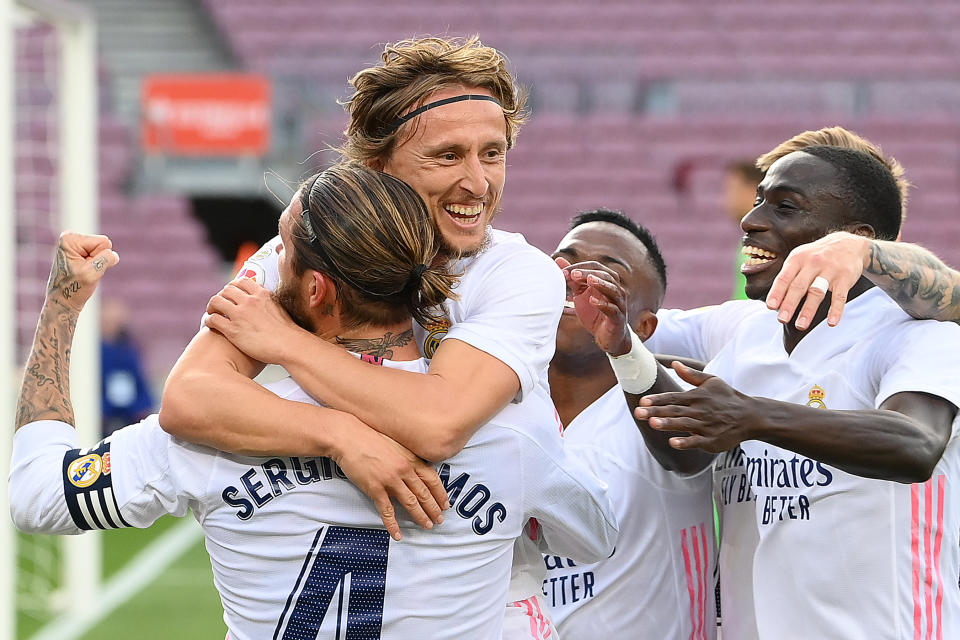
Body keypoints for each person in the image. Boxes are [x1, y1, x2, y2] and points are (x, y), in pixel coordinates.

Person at [10, 166, 616, 640]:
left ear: (316, 290)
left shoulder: (222, 427)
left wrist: (62, 308)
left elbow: (37, 495)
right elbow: (594, 536)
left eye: (281, 248)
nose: (269, 268)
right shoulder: (511, 429)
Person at [157, 36, 595, 635]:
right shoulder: (296, 247)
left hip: (481, 605)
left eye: (492, 154)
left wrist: (284, 343)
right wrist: (337, 435)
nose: (477, 182)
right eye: (448, 156)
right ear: (378, 166)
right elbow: (190, 398)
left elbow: (439, 422)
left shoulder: (520, 274)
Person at [617, 146, 960, 638]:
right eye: (758, 201)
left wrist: (754, 416)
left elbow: (916, 444)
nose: (751, 220)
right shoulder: (748, 335)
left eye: (785, 206)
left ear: (854, 241)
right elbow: (688, 452)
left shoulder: (919, 332)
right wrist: (618, 347)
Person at [543, 209, 717, 638]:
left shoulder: (677, 408)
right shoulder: (496, 403)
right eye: (566, 259)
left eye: (607, 269)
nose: (579, 276)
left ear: (644, 324)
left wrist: (622, 348)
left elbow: (690, 452)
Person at [723, 162, 765, 300]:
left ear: (755, 190)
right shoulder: (752, 236)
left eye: (734, 189)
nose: (727, 200)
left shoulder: (771, 240)